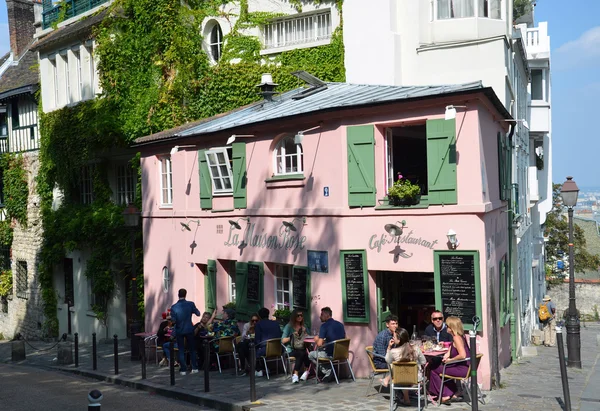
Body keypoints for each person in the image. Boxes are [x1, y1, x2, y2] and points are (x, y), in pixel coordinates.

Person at [428, 316, 471, 404]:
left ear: (452, 328)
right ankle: (451, 391)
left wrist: (450, 360)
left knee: (433, 369)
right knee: (440, 367)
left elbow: (463, 355)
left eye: (447, 326)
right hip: (465, 367)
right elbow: (452, 347)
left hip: (462, 369)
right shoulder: (459, 336)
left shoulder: (456, 338)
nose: (446, 327)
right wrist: (447, 355)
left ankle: (444, 395)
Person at [386, 328, 426, 406]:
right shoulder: (416, 348)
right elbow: (423, 361)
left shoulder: (393, 351)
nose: (393, 338)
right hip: (415, 378)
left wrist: (389, 348)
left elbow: (387, 360)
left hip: (400, 378)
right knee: (405, 377)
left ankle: (404, 398)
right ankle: (406, 396)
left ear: (399, 339)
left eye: (394, 337)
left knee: (397, 378)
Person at [308, 306, 346, 382]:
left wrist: (316, 339)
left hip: (330, 354)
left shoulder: (324, 326)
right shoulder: (340, 325)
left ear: (326, 315)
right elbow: (345, 338)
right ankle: (329, 370)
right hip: (341, 353)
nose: (320, 317)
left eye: (321, 314)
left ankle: (328, 370)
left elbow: (319, 344)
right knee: (322, 350)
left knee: (311, 355)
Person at [170, 288, 201, 375]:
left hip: (179, 330)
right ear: (185, 294)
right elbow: (198, 313)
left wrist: (171, 318)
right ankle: (194, 367)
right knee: (192, 349)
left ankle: (183, 369)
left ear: (178, 295)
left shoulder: (174, 307)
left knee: (181, 350)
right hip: (189, 329)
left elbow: (174, 321)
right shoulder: (190, 304)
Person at [282, 309, 311, 383]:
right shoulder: (289, 326)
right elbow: (282, 340)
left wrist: (305, 333)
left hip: (302, 347)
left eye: (301, 315)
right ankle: (298, 373)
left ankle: (301, 373)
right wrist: (292, 336)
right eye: (298, 315)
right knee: (301, 353)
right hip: (290, 350)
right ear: (294, 317)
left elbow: (309, 337)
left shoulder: (304, 326)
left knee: (307, 353)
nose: (300, 317)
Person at [253, 307, 283, 377]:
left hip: (266, 350)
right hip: (278, 349)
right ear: (268, 314)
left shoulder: (259, 324)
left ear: (259, 316)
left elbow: (257, 339)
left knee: (254, 348)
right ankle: (266, 368)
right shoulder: (275, 323)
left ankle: (258, 369)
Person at [372, 314, 399, 387]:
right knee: (400, 367)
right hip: (380, 362)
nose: (395, 326)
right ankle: (400, 391)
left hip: (390, 359)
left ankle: (401, 389)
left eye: (396, 323)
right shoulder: (382, 336)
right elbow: (383, 355)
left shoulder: (395, 334)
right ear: (387, 325)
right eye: (393, 324)